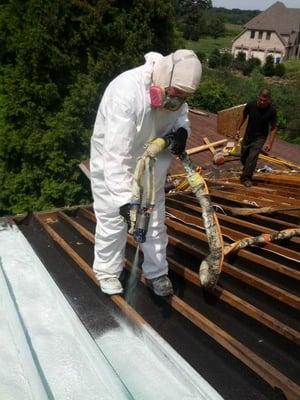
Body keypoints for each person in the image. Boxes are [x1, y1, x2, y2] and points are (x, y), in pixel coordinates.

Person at [90, 50, 202, 295]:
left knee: (154, 223)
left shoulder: (176, 93)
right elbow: (116, 155)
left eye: (183, 98)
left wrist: (182, 131)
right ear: (163, 80)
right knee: (114, 222)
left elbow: (181, 115)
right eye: (174, 96)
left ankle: (156, 272)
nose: (175, 102)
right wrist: (123, 200)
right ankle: (108, 272)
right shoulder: (126, 92)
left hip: (152, 168)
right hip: (114, 168)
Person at [236, 88, 277, 187]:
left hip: (260, 137)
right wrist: (238, 129)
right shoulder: (250, 105)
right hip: (248, 135)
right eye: (261, 99)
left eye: (265, 101)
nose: (262, 102)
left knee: (252, 156)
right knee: (244, 157)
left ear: (269, 100)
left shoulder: (272, 111)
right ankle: (247, 169)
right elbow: (243, 116)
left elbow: (273, 127)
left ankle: (246, 178)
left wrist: (269, 143)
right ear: (258, 97)